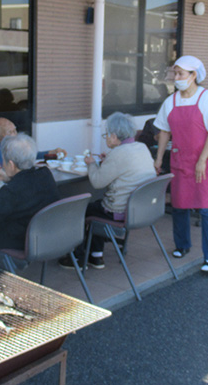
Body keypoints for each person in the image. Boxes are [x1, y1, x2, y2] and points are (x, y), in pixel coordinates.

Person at [153, 55, 208, 274]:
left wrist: (202, 159)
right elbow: (164, 131)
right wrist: (158, 158)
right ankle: (182, 244)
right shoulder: (171, 101)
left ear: (194, 76)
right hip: (180, 160)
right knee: (179, 205)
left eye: (180, 74)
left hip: (206, 162)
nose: (176, 78)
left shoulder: (207, 98)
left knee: (207, 209)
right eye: (175, 74)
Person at [59, 112, 156, 270]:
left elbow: (97, 182)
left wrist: (91, 163)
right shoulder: (141, 147)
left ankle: (77, 258)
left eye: (106, 135)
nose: (105, 138)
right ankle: (96, 255)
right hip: (141, 208)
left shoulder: (118, 154)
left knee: (81, 210)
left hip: (119, 210)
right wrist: (108, 161)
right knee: (96, 207)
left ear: (113, 136)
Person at [0, 133, 59, 261]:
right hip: (47, 233)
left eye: (3, 160)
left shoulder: (11, 191)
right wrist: (9, 178)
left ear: (11, 164)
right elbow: (27, 184)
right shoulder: (45, 174)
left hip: (22, 239)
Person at [0, 117, 65, 172]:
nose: (15, 134)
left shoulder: (16, 142)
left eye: (15, 130)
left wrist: (51, 152)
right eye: (10, 132)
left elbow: (31, 155)